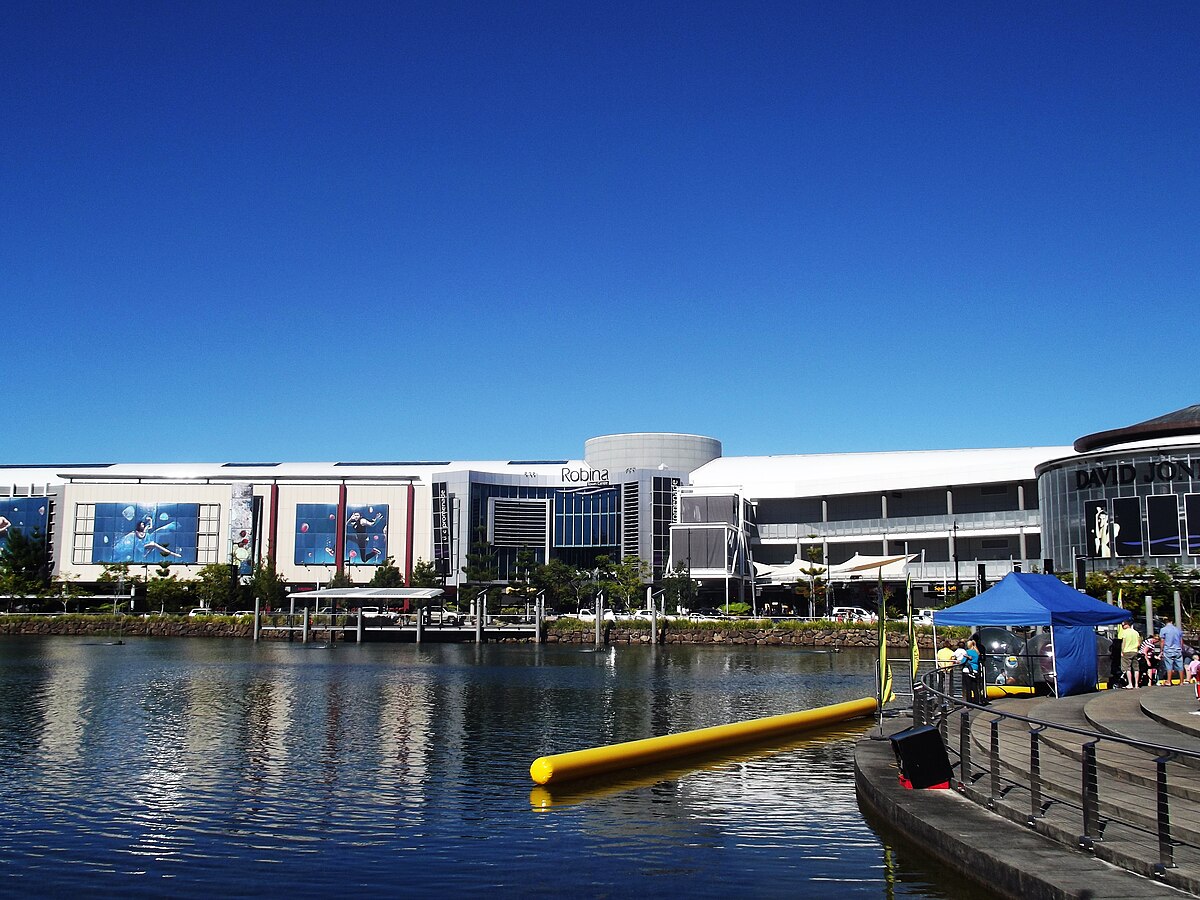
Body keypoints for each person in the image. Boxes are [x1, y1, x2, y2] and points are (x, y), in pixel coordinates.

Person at [1160, 619, 1184, 686]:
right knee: (1180, 665)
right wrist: (1181, 648)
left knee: (1169, 666)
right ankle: (1181, 681)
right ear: (1171, 622)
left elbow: (1162, 641)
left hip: (1168, 649)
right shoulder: (1178, 630)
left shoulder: (1163, 630)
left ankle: (1169, 681)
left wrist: (1161, 650)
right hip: (1177, 649)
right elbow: (1181, 641)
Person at [1118, 620, 1140, 689]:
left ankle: (1130, 683)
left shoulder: (1125, 632)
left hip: (1126, 651)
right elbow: (1139, 643)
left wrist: (1122, 651)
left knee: (1128, 668)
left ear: (1127, 625)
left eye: (1123, 625)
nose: (1122, 627)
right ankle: (1136, 684)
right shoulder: (1136, 632)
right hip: (1135, 651)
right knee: (1136, 668)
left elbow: (1123, 642)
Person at [963, 639, 982, 704]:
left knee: (968, 688)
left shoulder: (967, 652)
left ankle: (969, 702)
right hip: (975, 670)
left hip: (968, 670)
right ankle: (977, 701)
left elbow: (963, 661)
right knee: (975, 687)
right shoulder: (977, 652)